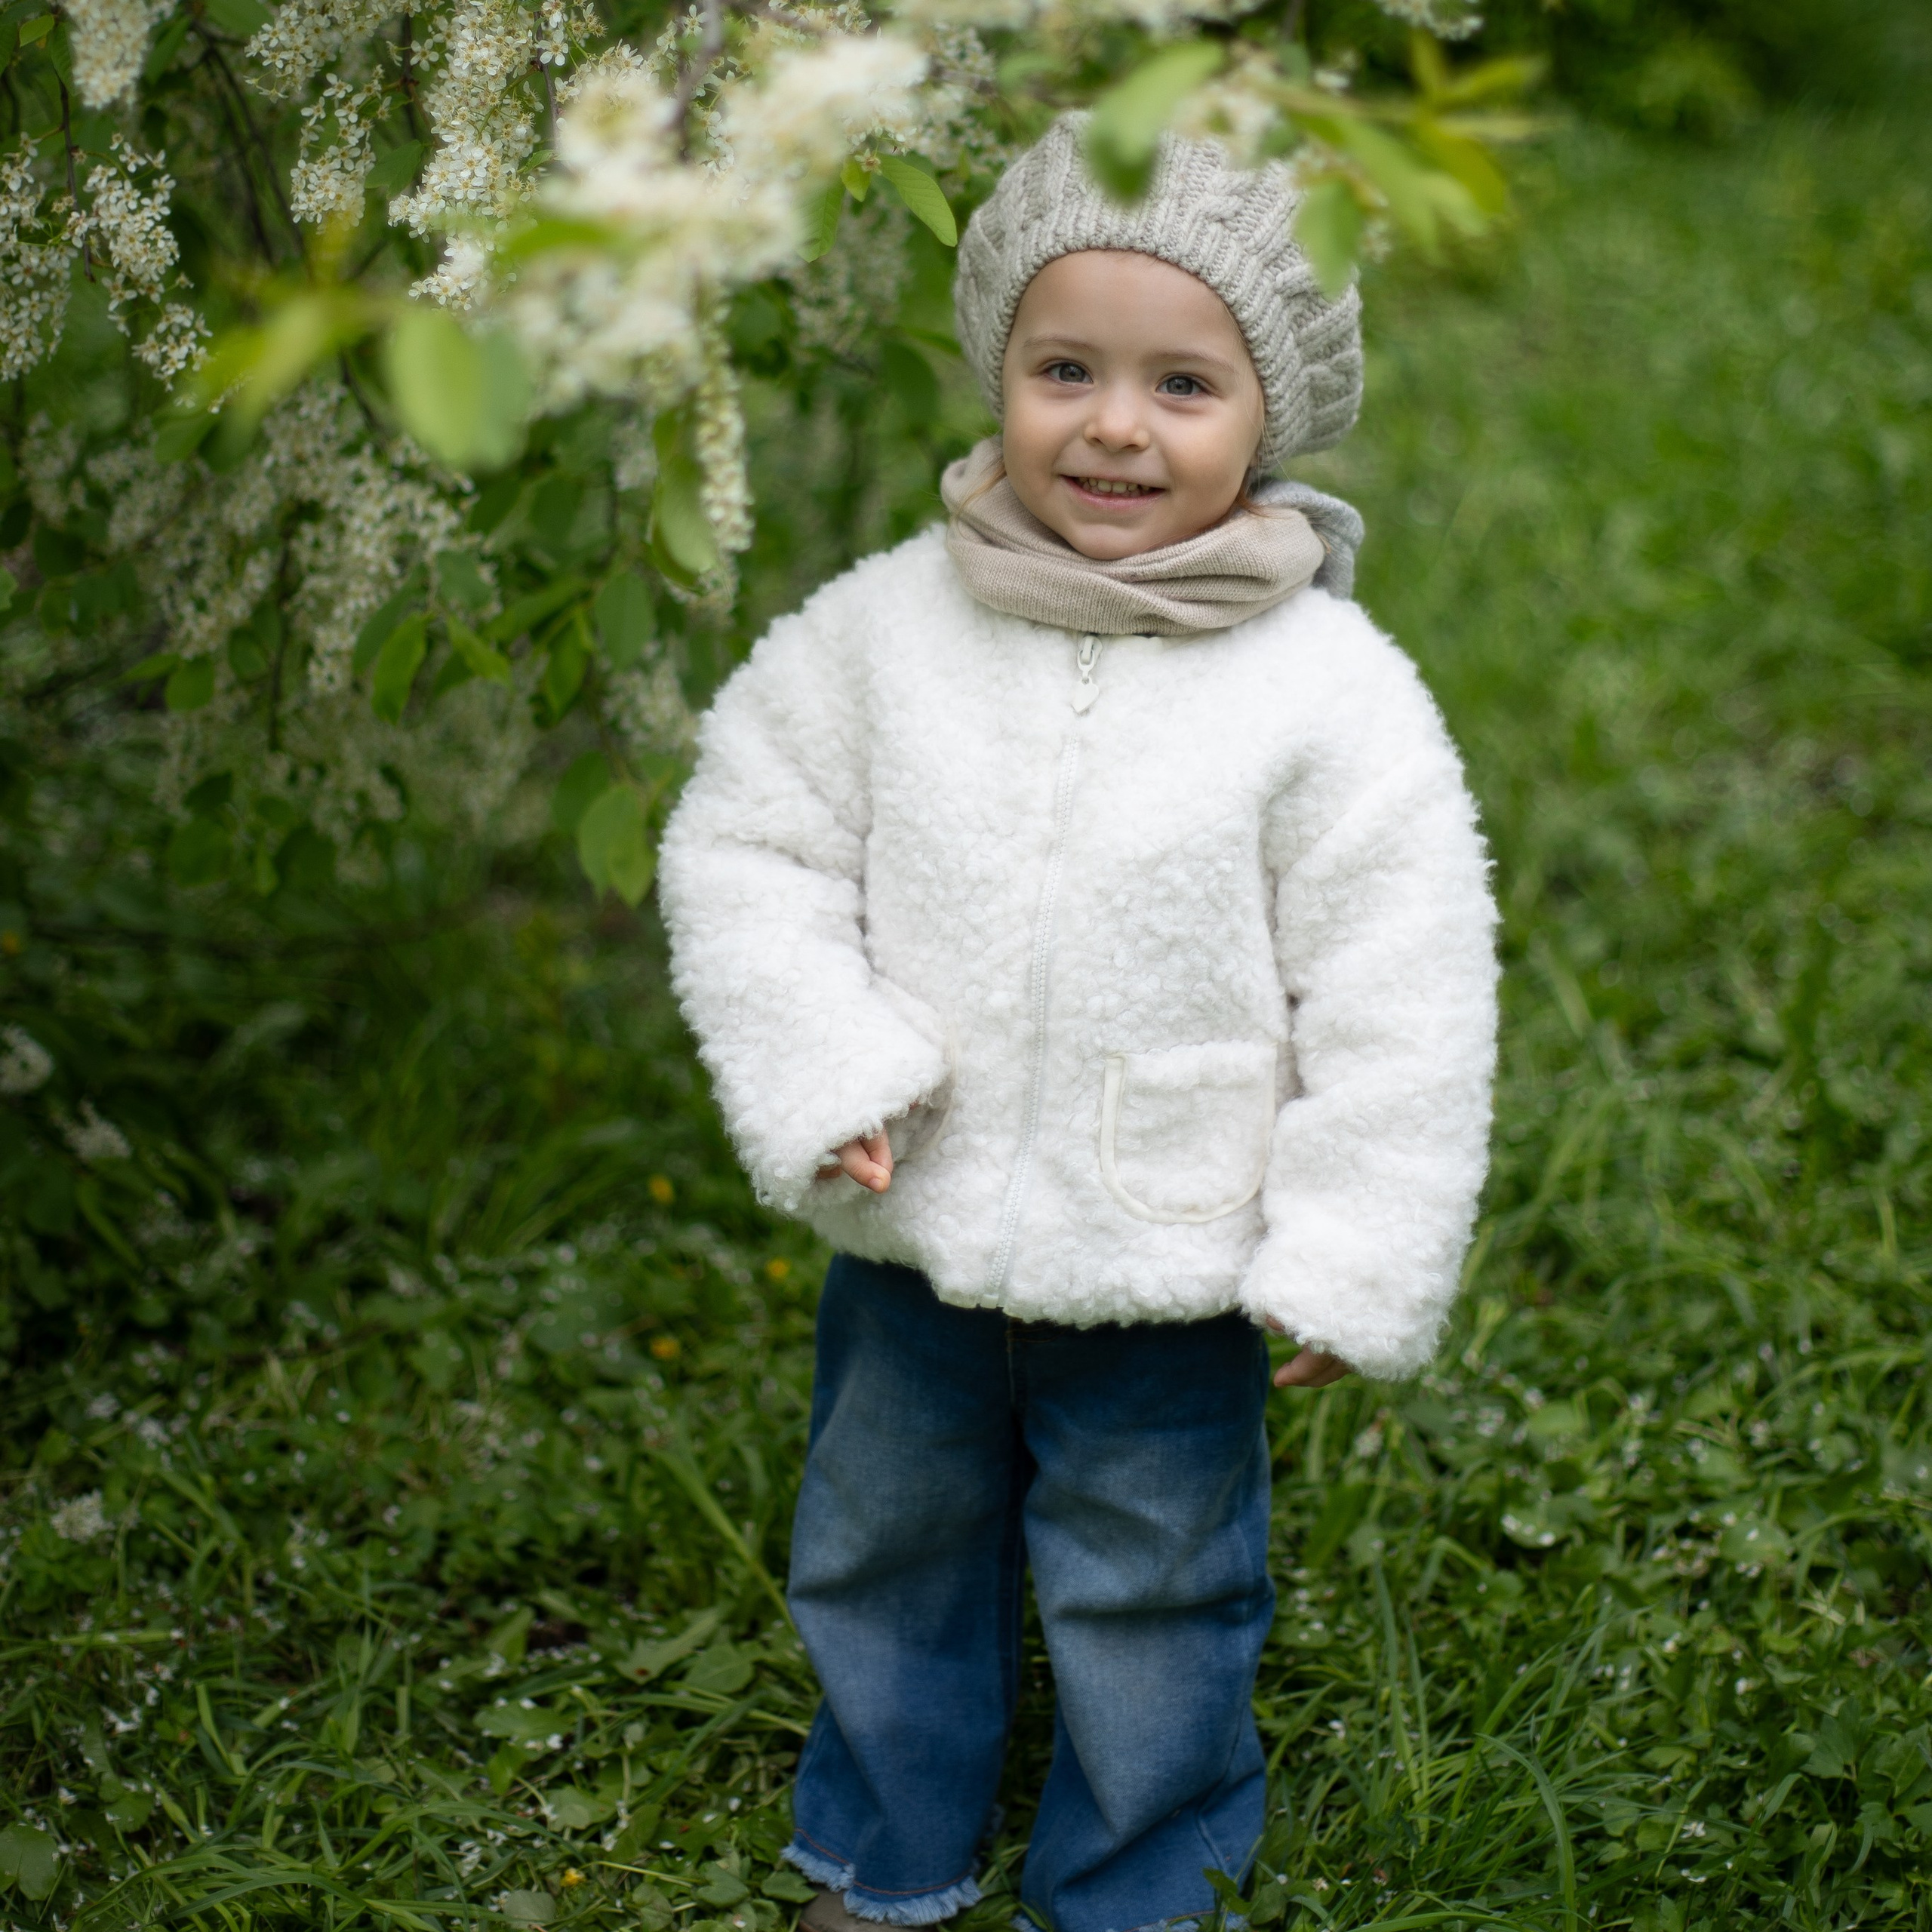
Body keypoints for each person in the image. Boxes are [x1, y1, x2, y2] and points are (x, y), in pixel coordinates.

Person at [659, 113, 1498, 1932]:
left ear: (1268, 411)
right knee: (881, 1539)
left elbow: (1401, 985)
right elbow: (746, 836)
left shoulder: (1328, 696)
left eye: (1181, 383)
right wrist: (824, 1059)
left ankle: (1134, 1878)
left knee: (1154, 1578)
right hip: (915, 1216)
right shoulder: (883, 633)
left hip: (1170, 1246)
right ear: (999, 368)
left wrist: (1350, 1246)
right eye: (1065, 370)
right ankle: (885, 1841)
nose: (1115, 425)